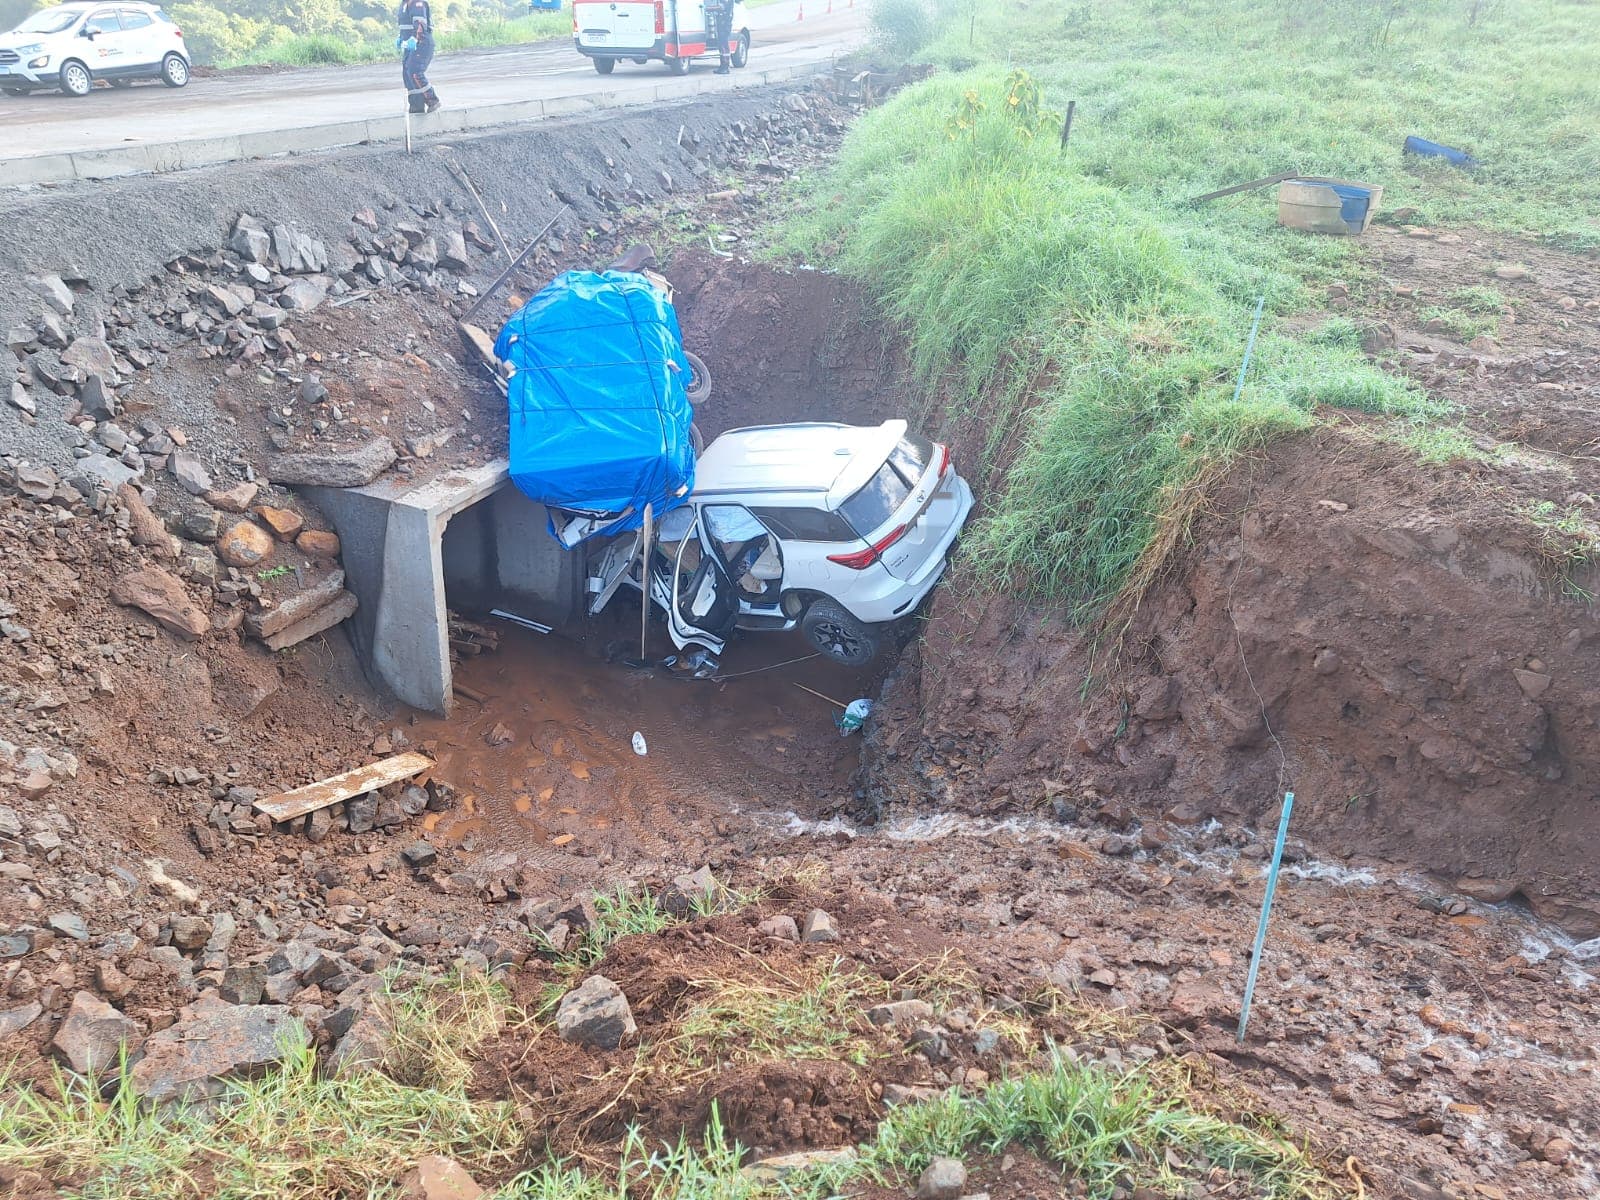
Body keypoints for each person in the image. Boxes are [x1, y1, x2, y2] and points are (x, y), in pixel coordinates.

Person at [396, 0, 440, 114]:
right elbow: (405, 25)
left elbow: (419, 23)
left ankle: (432, 100)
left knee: (414, 71)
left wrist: (414, 39)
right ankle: (416, 106)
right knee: (407, 74)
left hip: (421, 43)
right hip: (409, 46)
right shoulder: (403, 4)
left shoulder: (417, 3)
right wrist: (400, 38)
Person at [704, 0, 734, 74]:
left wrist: (707, 8)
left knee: (724, 45)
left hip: (724, 24)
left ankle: (725, 67)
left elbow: (721, 7)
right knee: (722, 45)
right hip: (723, 23)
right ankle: (723, 66)